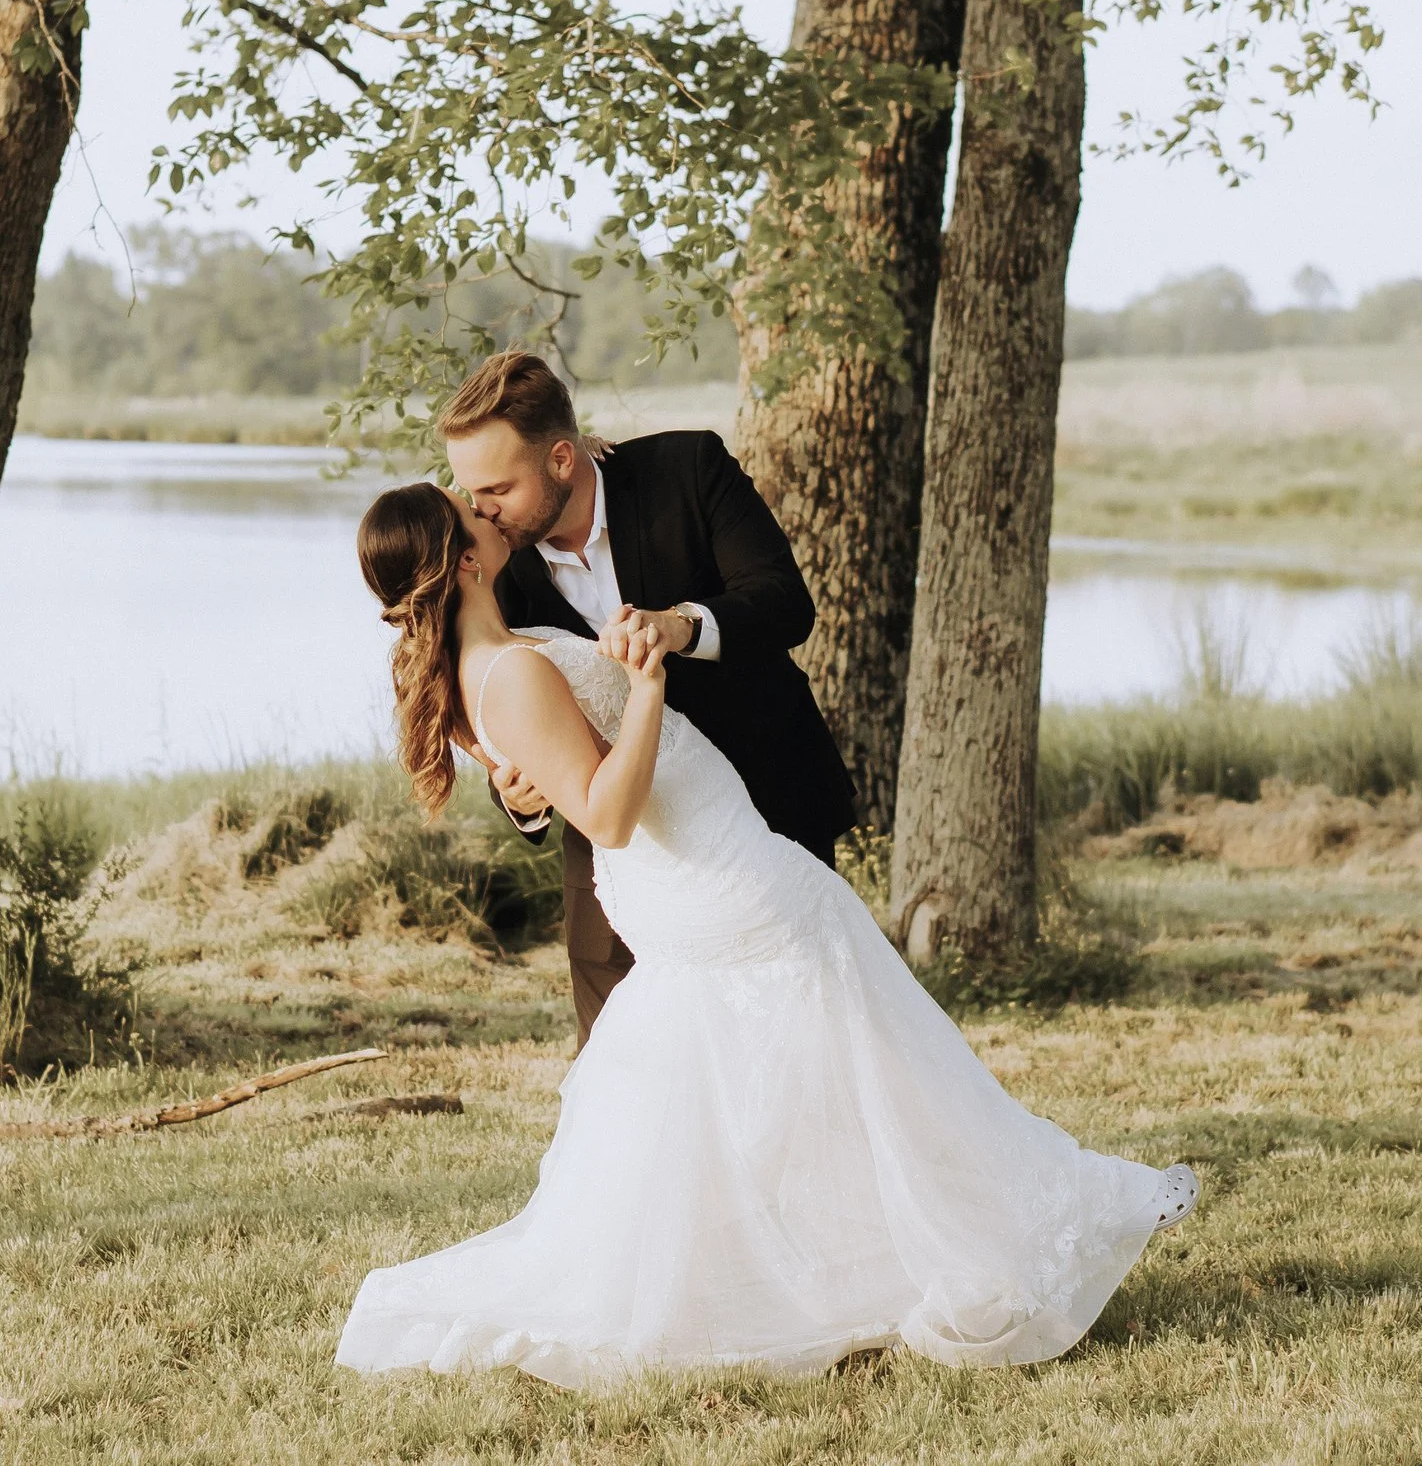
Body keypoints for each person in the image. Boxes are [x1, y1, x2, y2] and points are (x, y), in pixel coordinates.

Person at [336, 476, 1199, 1390]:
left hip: (708, 862)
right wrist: (643, 685)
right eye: (472, 511)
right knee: (875, 1046)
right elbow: (607, 811)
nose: (489, 509)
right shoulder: (507, 670)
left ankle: (867, 1249)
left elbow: (546, 774)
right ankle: (1018, 1222)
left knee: (816, 1059)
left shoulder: (484, 660)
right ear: (463, 558)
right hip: (714, 875)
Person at [433, 351, 856, 1046]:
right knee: (629, 1069)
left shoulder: (687, 471)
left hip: (759, 817)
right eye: (469, 490)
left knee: (799, 1046)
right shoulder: (493, 566)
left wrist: (680, 625)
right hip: (617, 858)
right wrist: (516, 791)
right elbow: (507, 709)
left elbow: (786, 604)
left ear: (562, 459)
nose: (479, 509)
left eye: (498, 488)